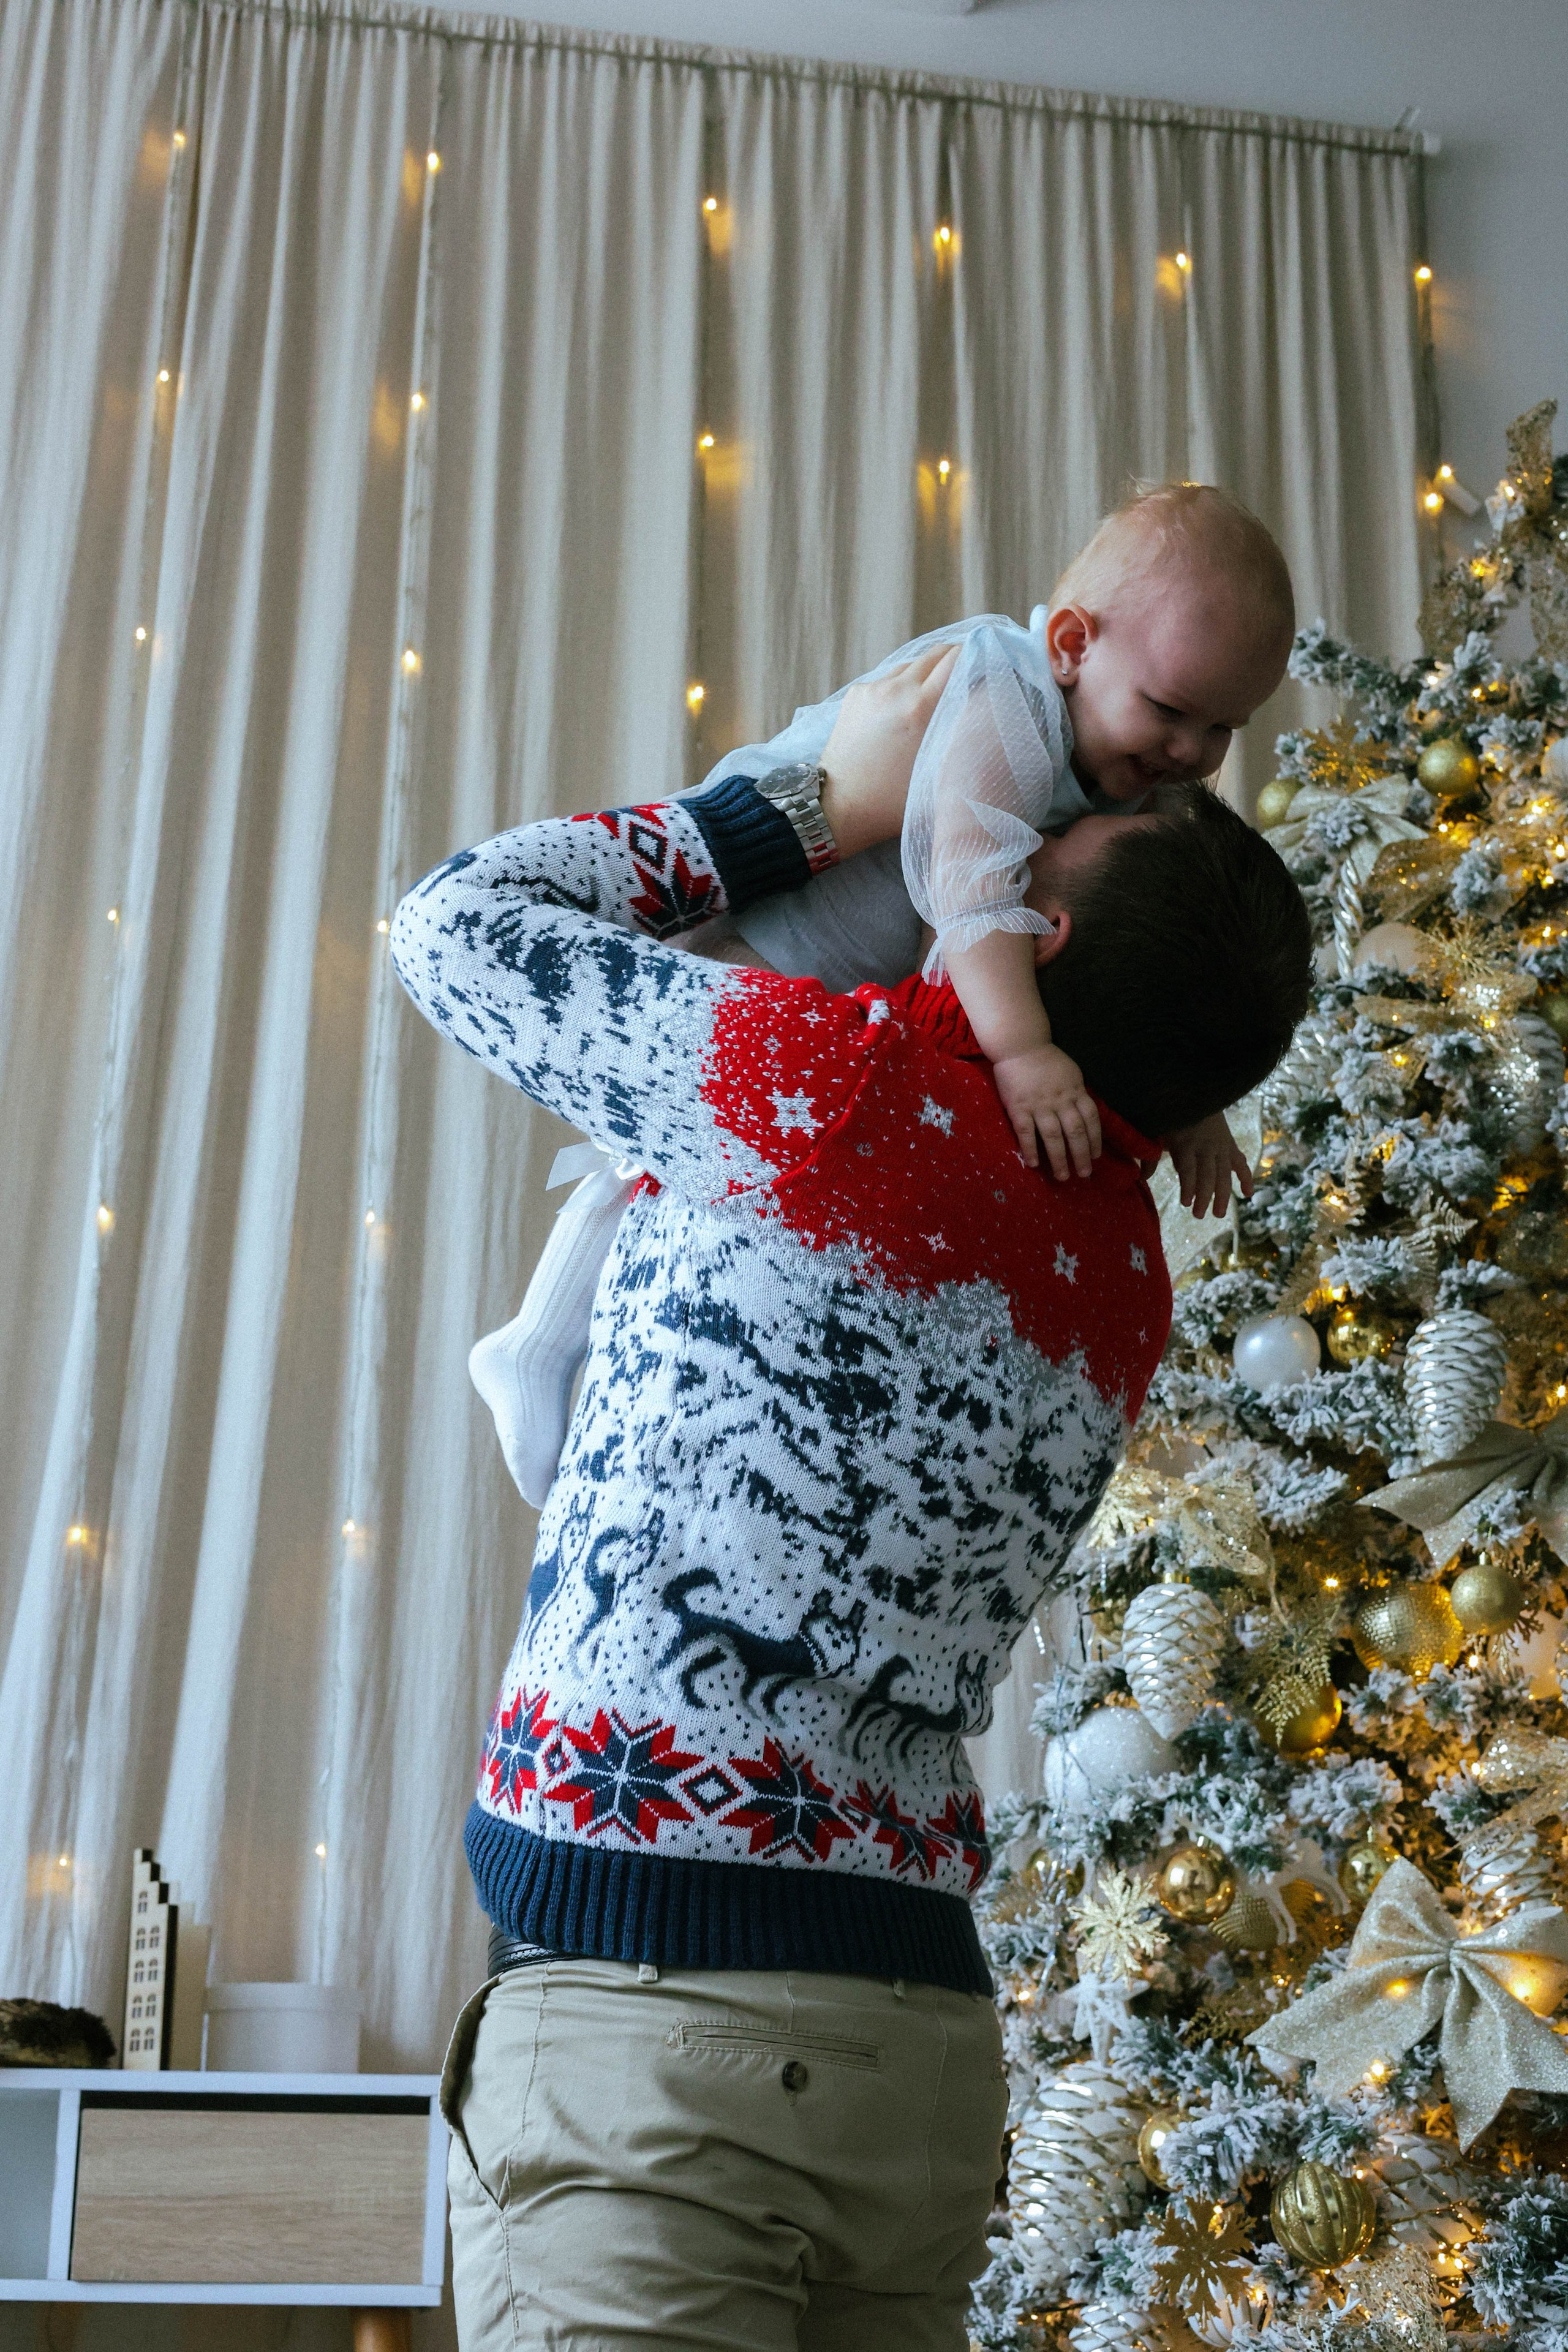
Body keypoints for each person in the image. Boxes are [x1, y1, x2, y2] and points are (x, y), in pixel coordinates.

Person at [390, 647, 1313, 2352]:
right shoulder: (1124, 1274)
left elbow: (453, 924)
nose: (973, 852)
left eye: (1013, 860)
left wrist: (804, 810)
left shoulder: (834, 1094)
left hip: (661, 2022)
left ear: (1033, 940)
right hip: (918, 2051)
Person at [469, 483, 1295, 1506]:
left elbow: (1156, 965)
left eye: (1224, 728)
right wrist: (1025, 1053)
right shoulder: (1008, 696)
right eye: (1171, 711)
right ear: (1073, 644)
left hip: (837, 988)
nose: (1190, 754)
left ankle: (556, 1348)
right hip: (764, 931)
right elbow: (972, 891)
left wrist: (1194, 1103)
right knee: (656, 1143)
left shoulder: (1130, 769)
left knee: (696, 1168)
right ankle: (537, 1341)